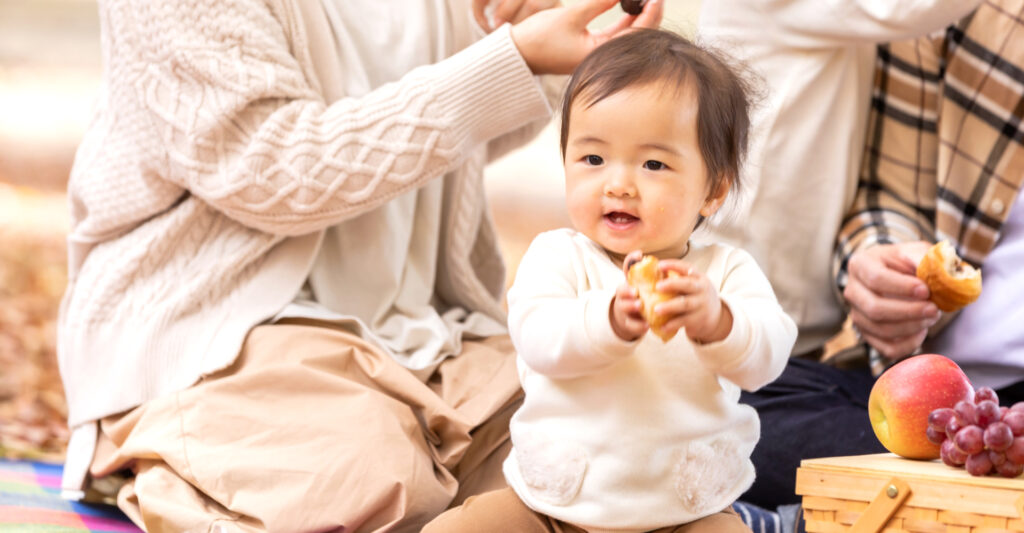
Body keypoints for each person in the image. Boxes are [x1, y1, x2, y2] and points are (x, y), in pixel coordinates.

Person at [55, 0, 664, 531]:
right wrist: (508, 62)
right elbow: (270, 170)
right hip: (219, 329)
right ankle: (164, 460)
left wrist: (537, 44)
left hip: (424, 328)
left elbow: (453, 136)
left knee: (608, 455)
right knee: (376, 484)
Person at [420, 29, 798, 533]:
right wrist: (609, 321)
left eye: (654, 163)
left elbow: (767, 357)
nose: (618, 183)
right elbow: (539, 340)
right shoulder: (557, 256)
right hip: (552, 506)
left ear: (713, 189)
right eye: (593, 159)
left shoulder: (725, 274)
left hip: (684, 512)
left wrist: (719, 322)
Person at [732, 0, 1024, 511]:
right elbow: (887, 199)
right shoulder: (944, 15)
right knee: (724, 409)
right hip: (929, 389)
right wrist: (878, 257)